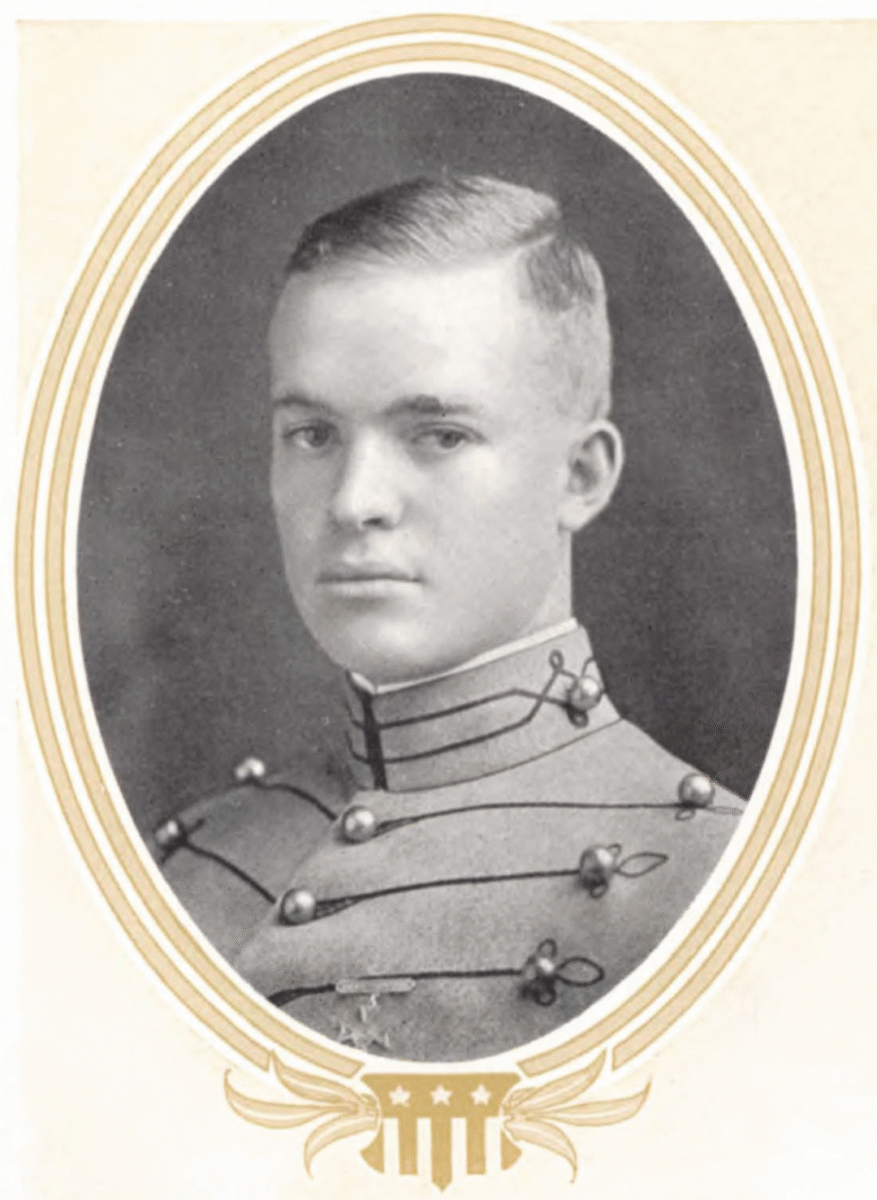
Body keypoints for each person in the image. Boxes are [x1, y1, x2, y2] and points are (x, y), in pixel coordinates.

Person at [152, 175, 744, 1061]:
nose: (354, 502)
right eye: (312, 434)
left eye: (437, 435)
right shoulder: (189, 864)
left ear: (580, 477)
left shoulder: (726, 894)